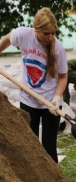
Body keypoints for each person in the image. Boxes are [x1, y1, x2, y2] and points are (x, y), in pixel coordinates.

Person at [0, 7, 68, 163]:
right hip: (28, 101)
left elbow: (63, 77)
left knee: (48, 148)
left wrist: (57, 99)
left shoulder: (58, 49)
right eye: (46, 33)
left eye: (53, 33)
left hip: (51, 103)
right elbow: (5, 39)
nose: (50, 37)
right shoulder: (23, 35)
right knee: (30, 146)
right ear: (36, 29)